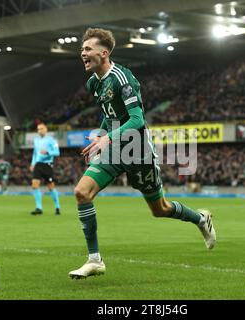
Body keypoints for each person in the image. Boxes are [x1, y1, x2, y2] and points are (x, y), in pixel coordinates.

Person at [68, 28, 216, 279]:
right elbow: (110, 115)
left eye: (87, 49)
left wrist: (109, 137)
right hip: (115, 149)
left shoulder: (122, 79)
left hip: (137, 150)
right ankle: (95, 260)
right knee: (82, 192)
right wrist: (102, 135)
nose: (82, 53)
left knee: (159, 209)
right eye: (82, 49)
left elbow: (137, 120)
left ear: (104, 53)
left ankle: (200, 218)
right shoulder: (94, 82)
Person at [30, 123, 61, 215]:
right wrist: (32, 164)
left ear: (46, 129)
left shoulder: (52, 140)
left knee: (51, 187)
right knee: (34, 185)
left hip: (47, 165)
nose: (40, 130)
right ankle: (39, 208)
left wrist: (48, 152)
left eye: (42, 128)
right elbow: (35, 153)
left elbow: (57, 152)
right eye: (38, 129)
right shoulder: (36, 140)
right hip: (38, 164)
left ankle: (57, 206)